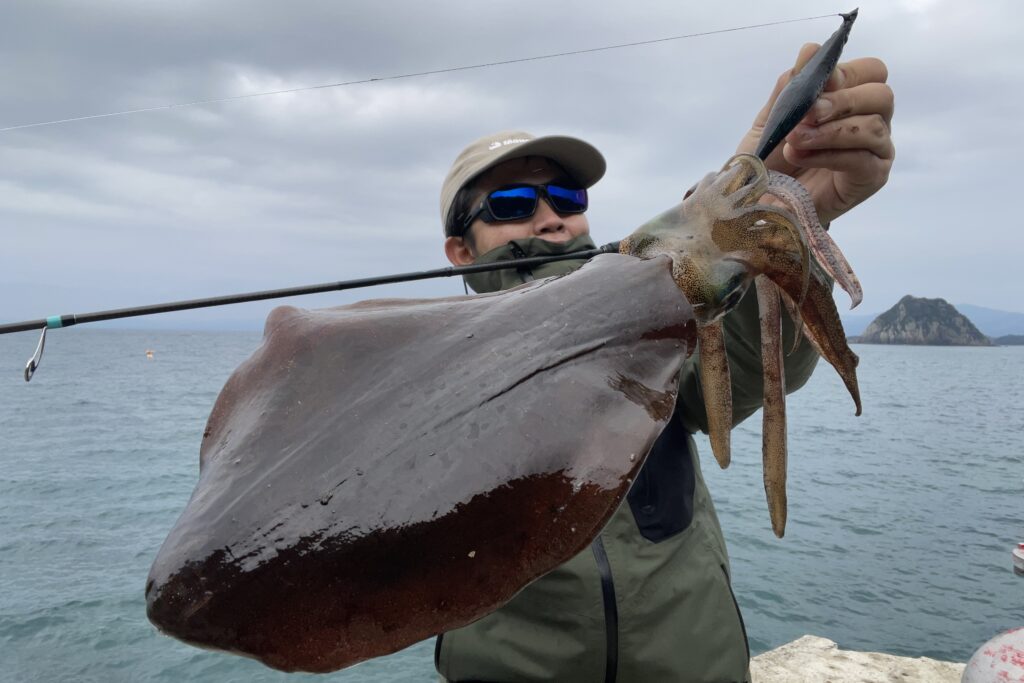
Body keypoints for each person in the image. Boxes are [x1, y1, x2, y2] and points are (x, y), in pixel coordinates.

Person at [434, 46, 895, 683]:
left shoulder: (647, 323)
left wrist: (773, 234)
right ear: (460, 250)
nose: (553, 220)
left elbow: (737, 374)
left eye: (566, 197)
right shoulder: (429, 377)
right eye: (512, 204)